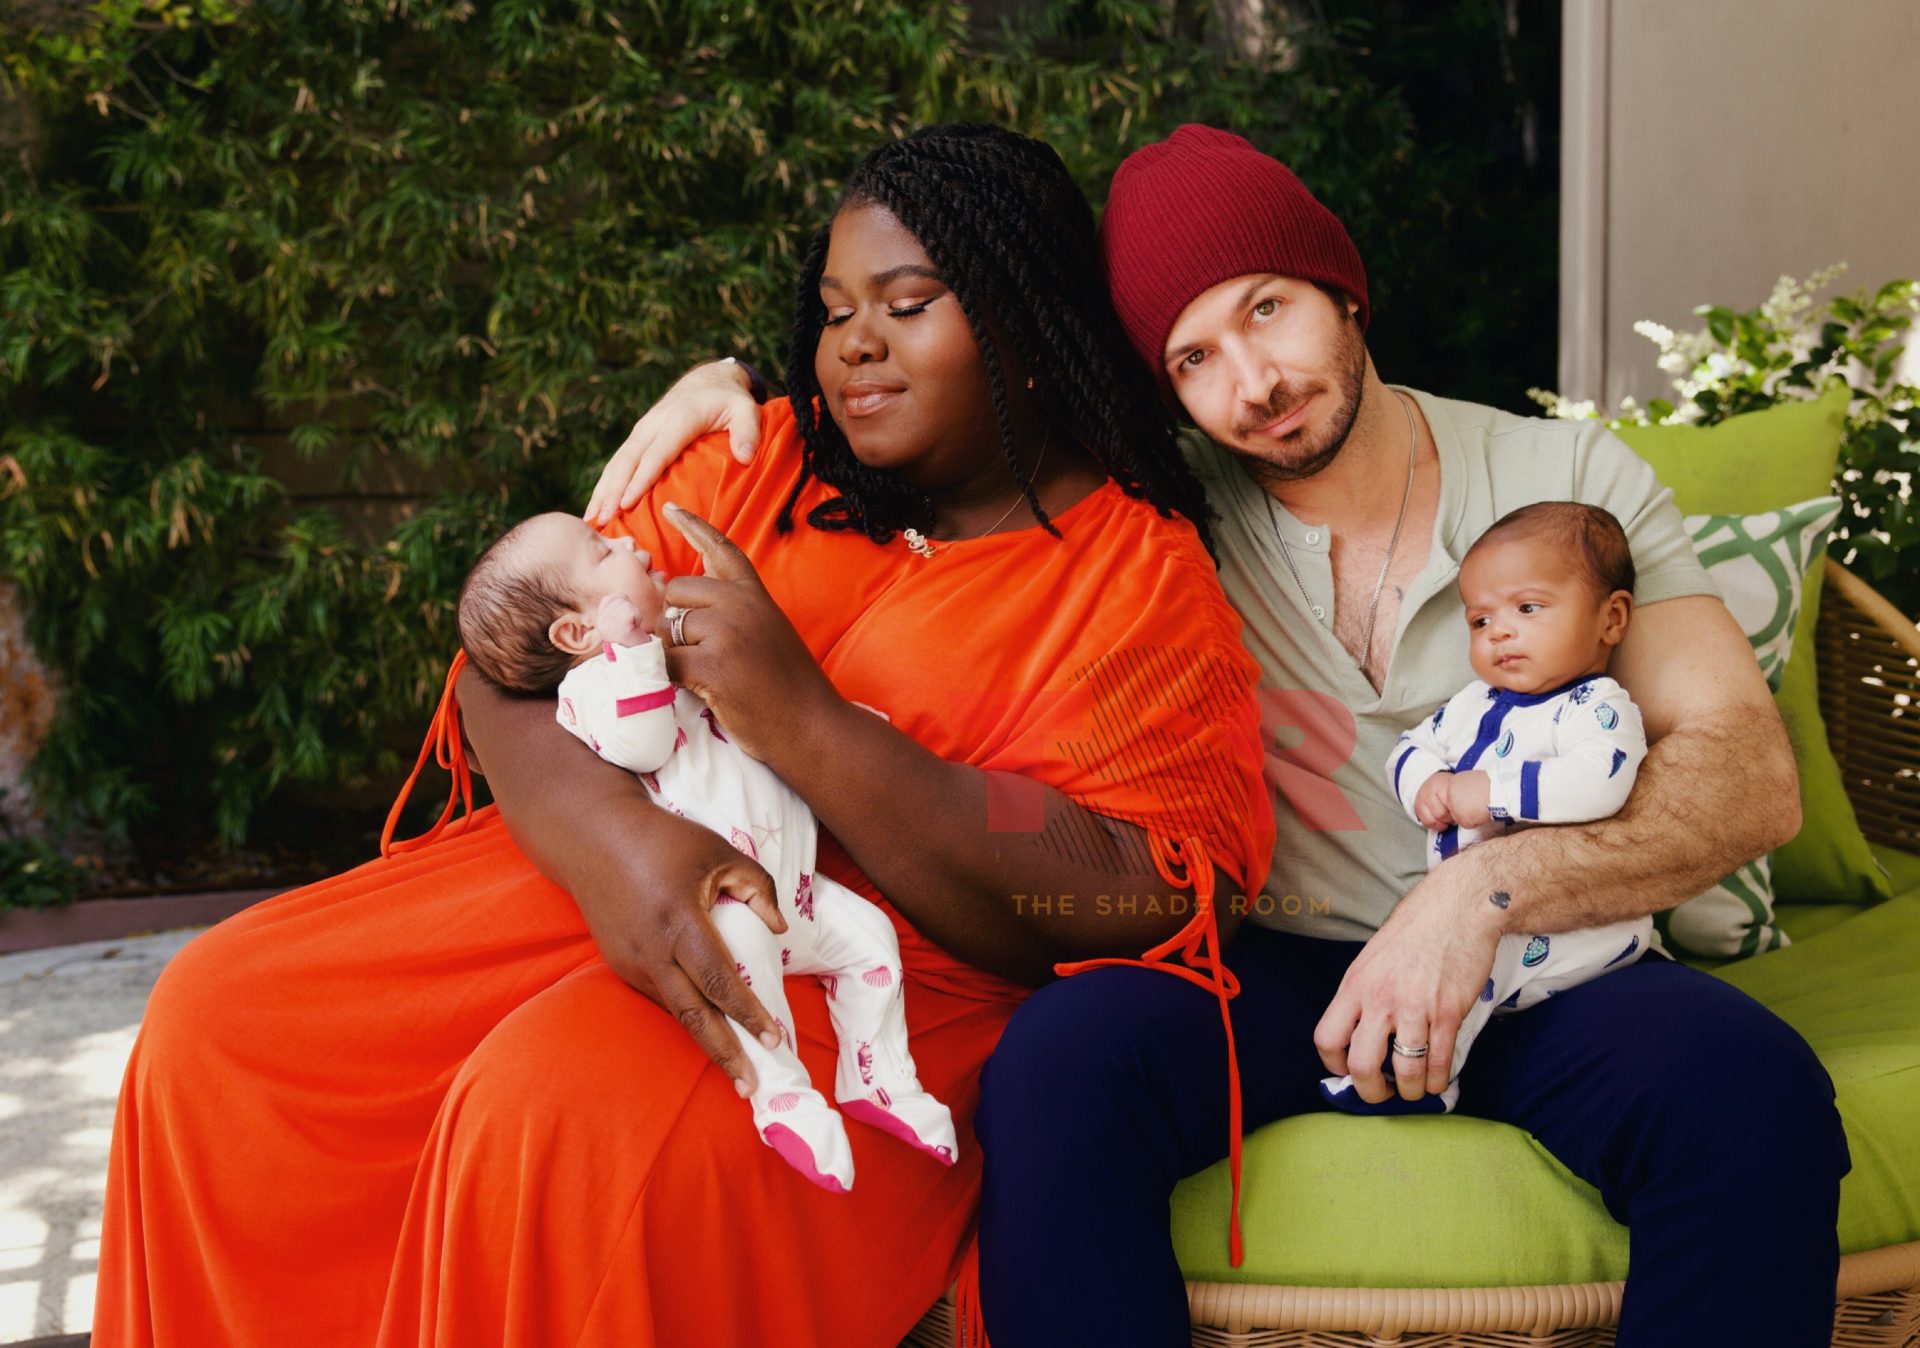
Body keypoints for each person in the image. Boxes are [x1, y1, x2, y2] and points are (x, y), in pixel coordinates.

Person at [597, 123, 1850, 1347]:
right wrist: (734, 390)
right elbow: (953, 413)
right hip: (1276, 970)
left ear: (1344, 291)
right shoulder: (1165, 519)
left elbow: (1746, 777)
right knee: (1061, 1069)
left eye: (1267, 310)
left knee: (1752, 1097)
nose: (1250, 384)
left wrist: (1484, 899)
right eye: (1192, 358)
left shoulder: (1568, 486)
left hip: (1549, 961)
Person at [92, 123, 1274, 1348]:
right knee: (221, 1019)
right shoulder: (759, 462)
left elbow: (1145, 886)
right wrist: (619, 848)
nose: (854, 343)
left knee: (553, 1114)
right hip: (581, 880)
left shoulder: (1136, 581)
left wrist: (812, 729)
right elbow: (510, 661)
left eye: (907, 303)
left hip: (868, 966)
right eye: (832, 310)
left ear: (1031, 322)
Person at [456, 510, 960, 1190]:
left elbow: (762, 732)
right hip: (723, 904)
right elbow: (645, 744)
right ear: (578, 632)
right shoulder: (595, 688)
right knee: (744, 960)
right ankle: (782, 1095)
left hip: (793, 890)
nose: (629, 543)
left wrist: (844, 733)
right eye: (603, 552)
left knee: (870, 943)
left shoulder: (668, 660)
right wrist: (633, 651)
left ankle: (878, 1076)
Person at [1320, 500, 1650, 1115]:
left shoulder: (1597, 707)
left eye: (1527, 609)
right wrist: (1427, 783)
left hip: (1570, 929)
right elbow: (1413, 745)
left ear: (1611, 618)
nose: (1498, 632)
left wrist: (1489, 790)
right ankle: (1381, 1050)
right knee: (1436, 956)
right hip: (1484, 915)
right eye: (1479, 621)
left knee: (1466, 971)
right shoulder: (1475, 701)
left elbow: (1599, 781)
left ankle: (1426, 1081)